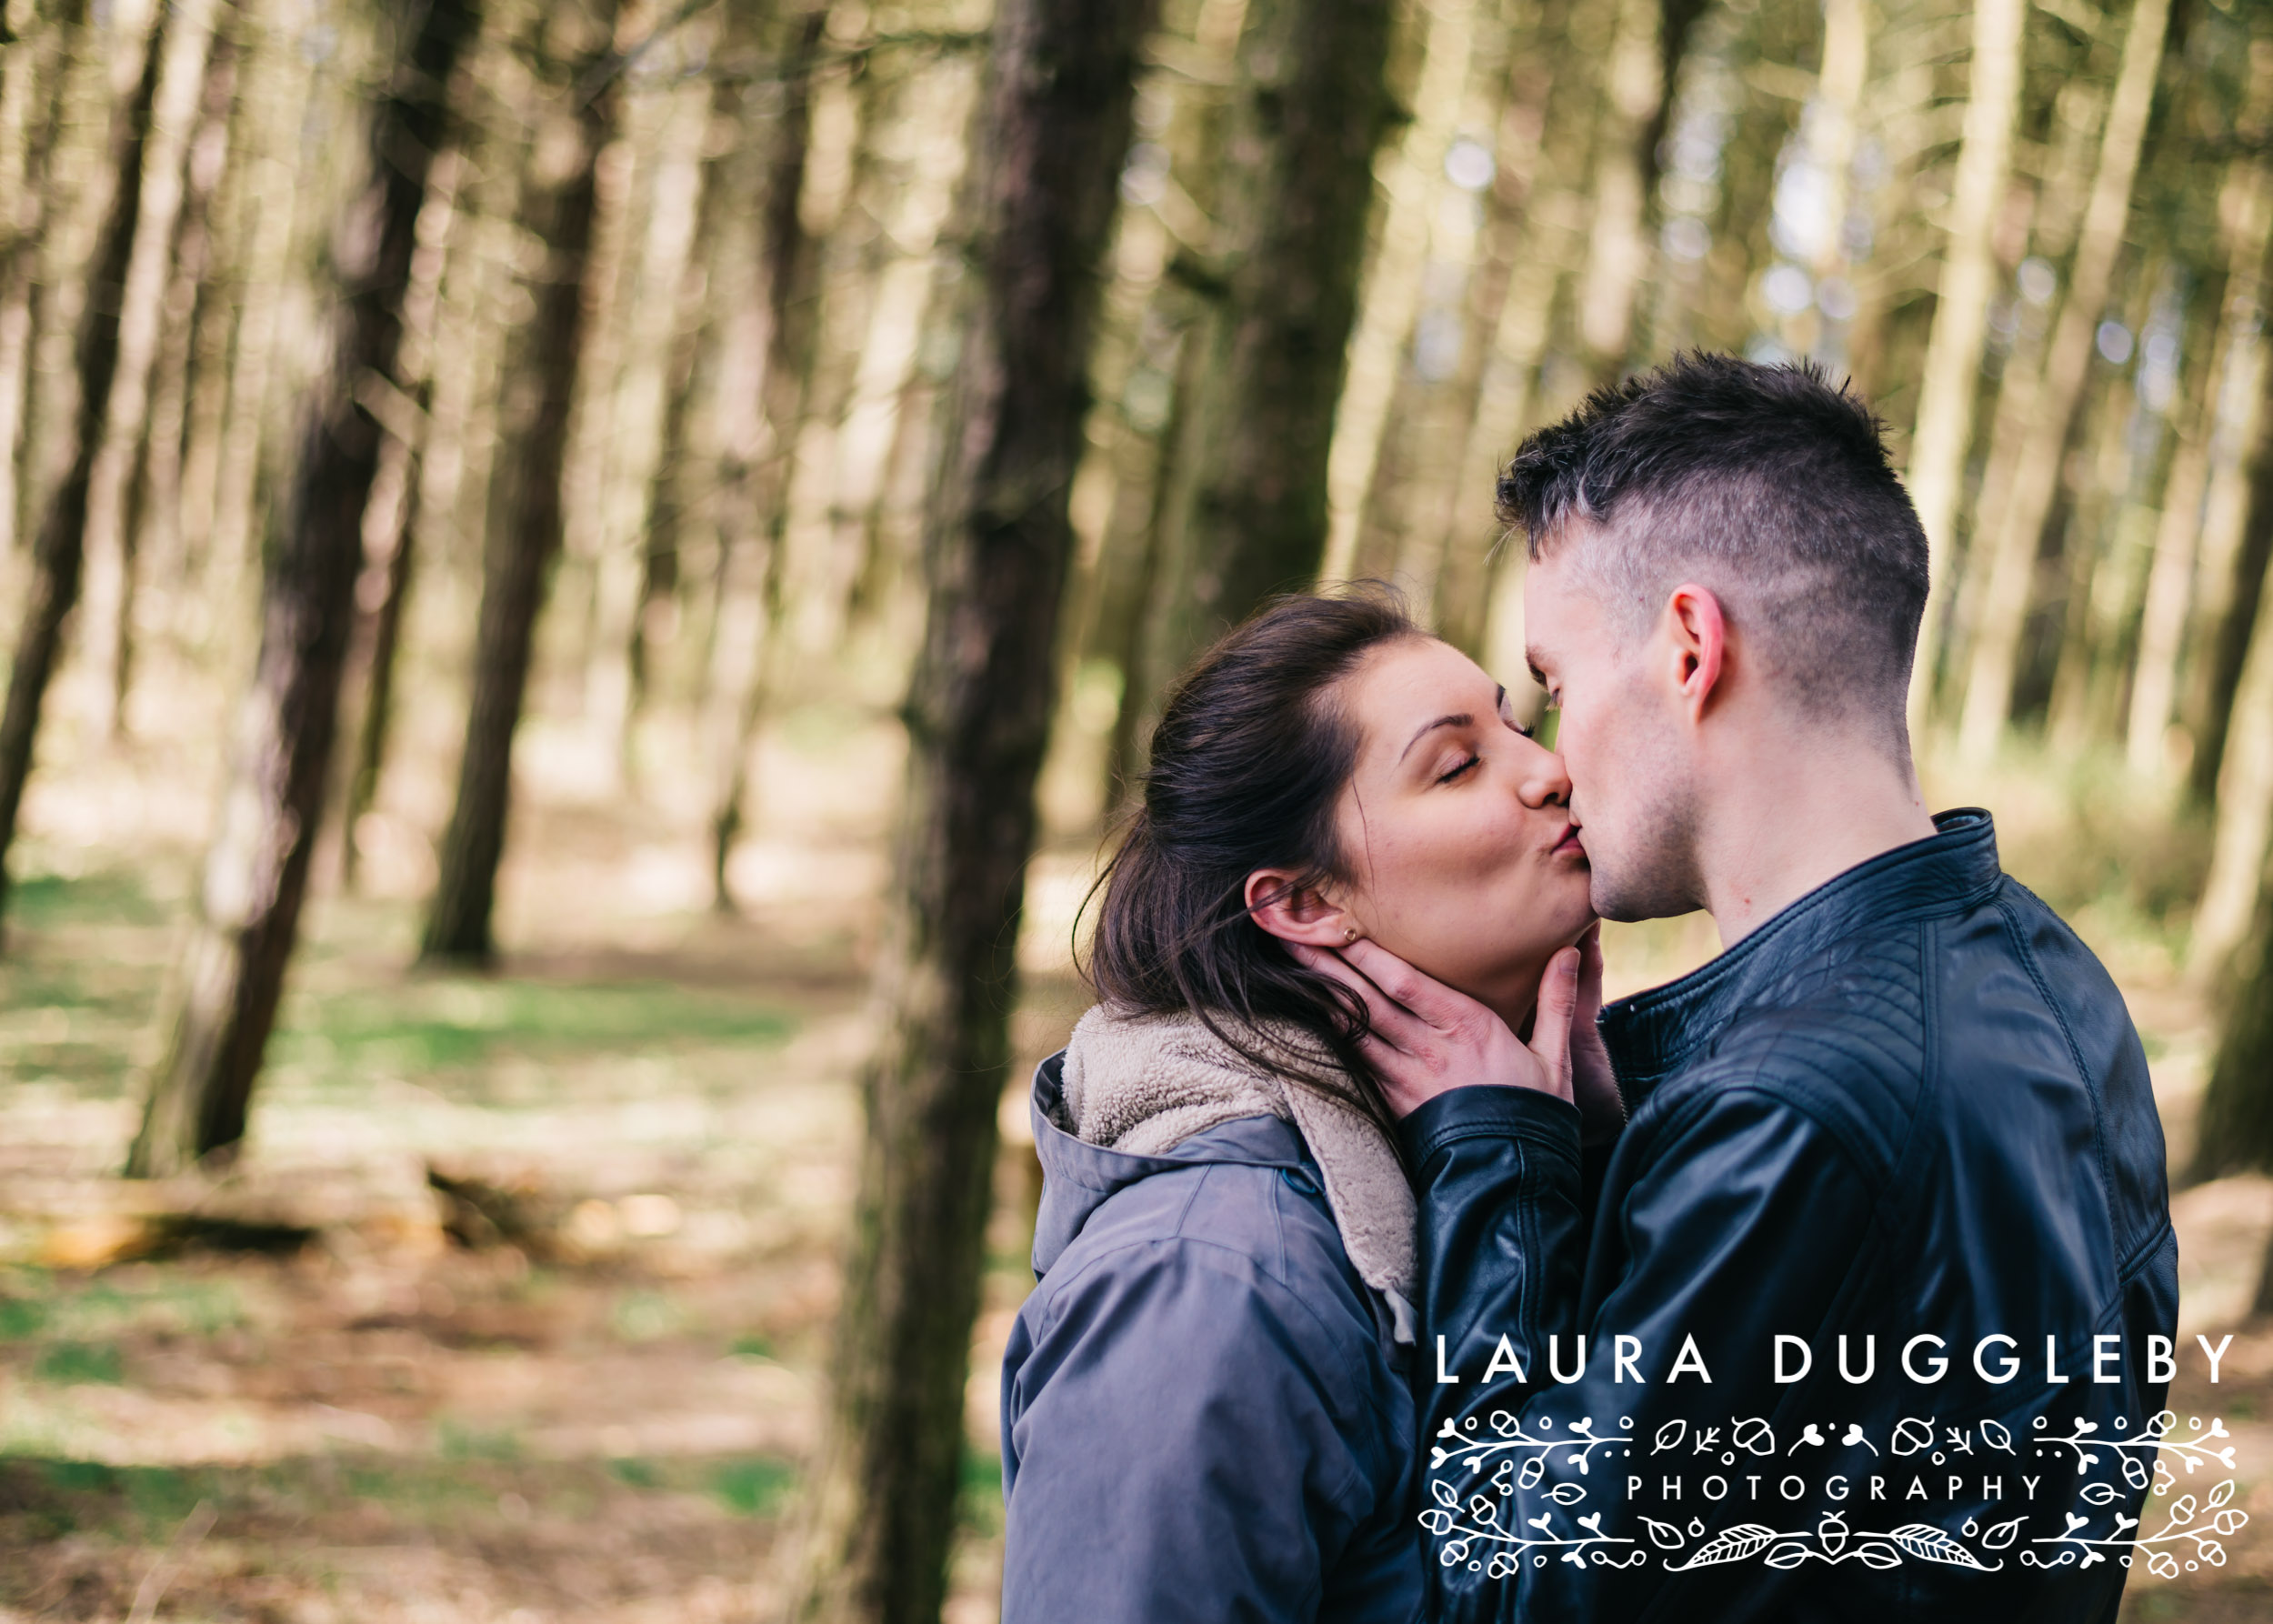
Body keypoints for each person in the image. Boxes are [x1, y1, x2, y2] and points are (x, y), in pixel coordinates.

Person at [1304, 355, 2180, 1622]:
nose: (1548, 762)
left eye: (1554, 687)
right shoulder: (2048, 965)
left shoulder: (1792, 1111)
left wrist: (1496, 1162)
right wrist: (1622, 1137)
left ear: (1689, 646)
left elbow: (1502, 1589)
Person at [996, 588, 1617, 1623]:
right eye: (1458, 763)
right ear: (1302, 903)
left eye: (1515, 723)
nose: (1548, 768)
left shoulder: (1497, 1145)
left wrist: (1573, 1158)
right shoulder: (1208, 1277)